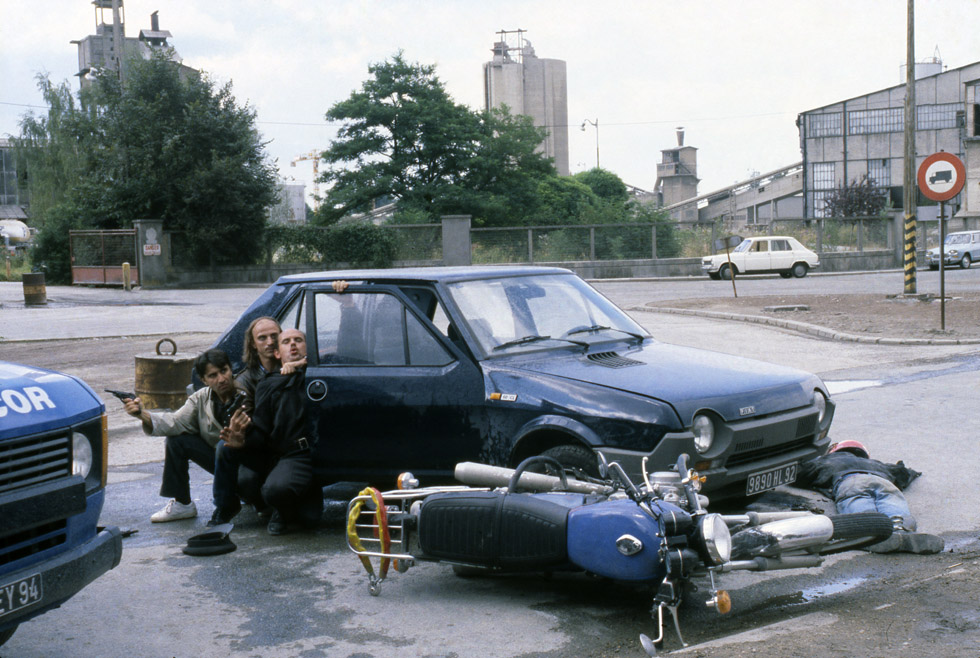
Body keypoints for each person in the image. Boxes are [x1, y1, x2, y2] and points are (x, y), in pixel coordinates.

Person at [218, 328, 322, 535]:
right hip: (292, 454)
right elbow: (262, 429)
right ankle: (275, 510)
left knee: (310, 519)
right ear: (277, 353)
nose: (293, 345)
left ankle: (303, 495)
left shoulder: (318, 376)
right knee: (276, 491)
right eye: (286, 342)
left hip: (320, 450)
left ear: (308, 348)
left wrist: (301, 367)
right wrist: (242, 441)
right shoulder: (269, 383)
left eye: (298, 340)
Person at [123, 349, 244, 523]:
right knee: (176, 440)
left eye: (224, 371)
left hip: (249, 464)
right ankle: (182, 503)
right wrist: (142, 414)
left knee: (249, 482)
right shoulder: (201, 398)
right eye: (213, 375)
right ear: (204, 380)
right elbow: (174, 422)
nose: (221, 379)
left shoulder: (246, 392)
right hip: (222, 463)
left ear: (231, 369)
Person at [796, 440, 944, 554]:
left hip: (851, 480)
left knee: (857, 498)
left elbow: (801, 474)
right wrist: (912, 472)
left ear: (833, 451)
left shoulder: (826, 460)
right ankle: (901, 528)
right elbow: (902, 473)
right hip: (882, 480)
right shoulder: (876, 463)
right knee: (891, 499)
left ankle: (869, 532)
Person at [233, 316, 282, 516]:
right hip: (262, 447)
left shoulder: (293, 367)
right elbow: (249, 425)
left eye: (274, 336)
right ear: (253, 344)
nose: (270, 342)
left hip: (290, 447)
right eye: (262, 338)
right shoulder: (243, 381)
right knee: (246, 480)